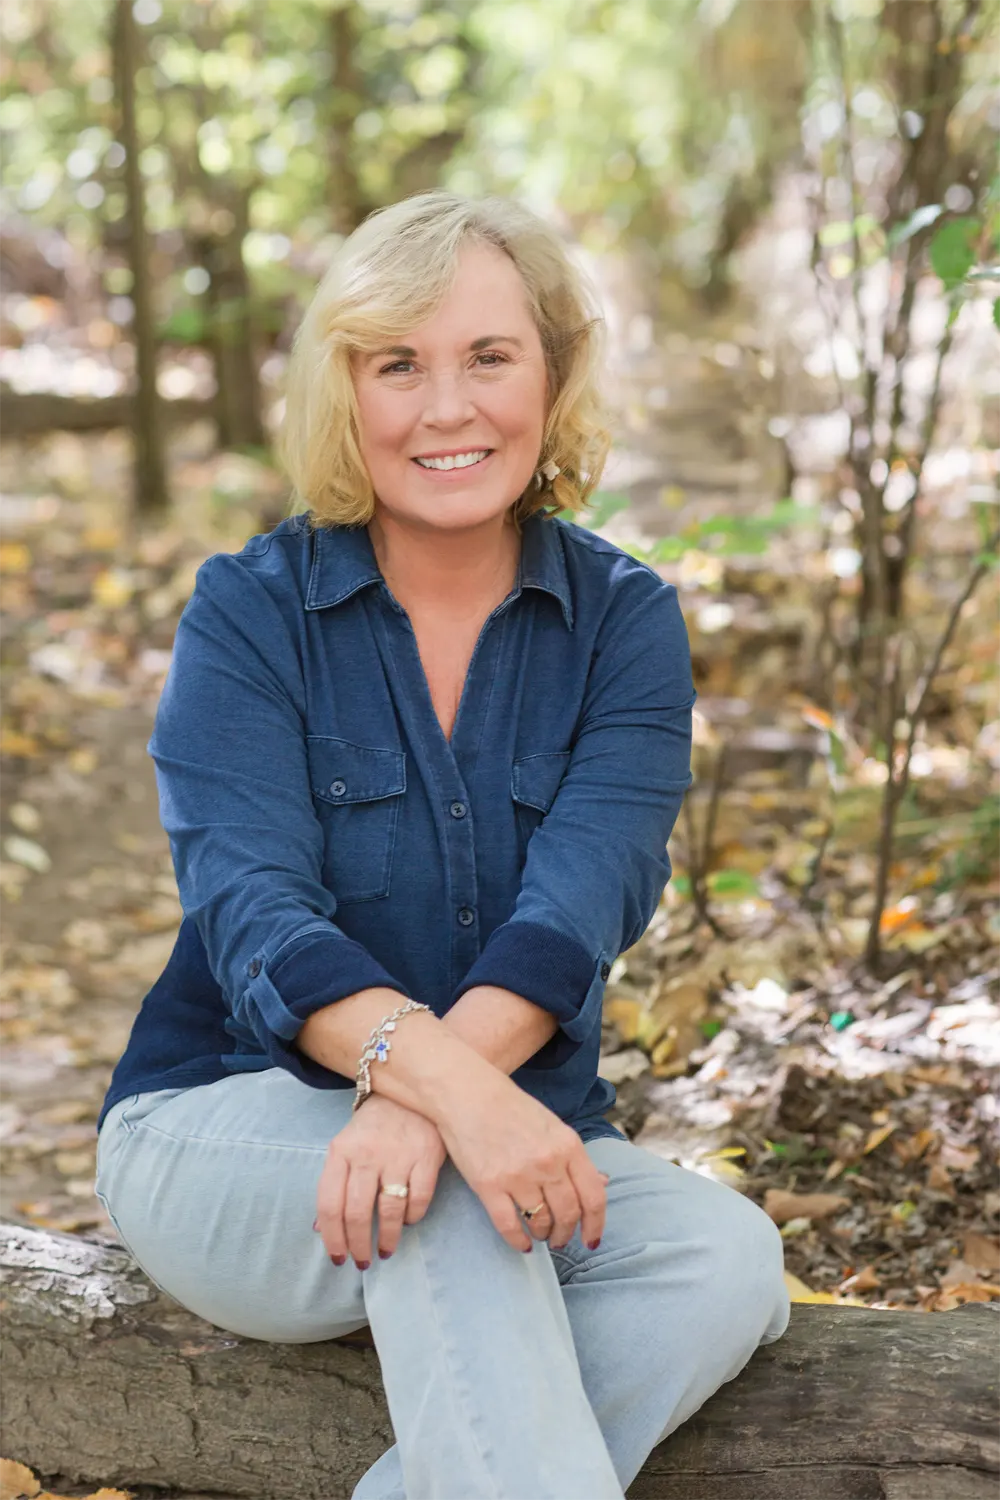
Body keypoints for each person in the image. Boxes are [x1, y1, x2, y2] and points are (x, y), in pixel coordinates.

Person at [94, 190, 790, 1500]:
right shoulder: (248, 614)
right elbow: (252, 911)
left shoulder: (624, 622)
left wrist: (438, 1099)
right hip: (226, 1128)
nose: (447, 408)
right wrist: (451, 1095)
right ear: (344, 389)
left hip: (507, 1137)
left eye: (489, 356)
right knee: (461, 1184)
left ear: (555, 372)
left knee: (726, 1264)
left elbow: (588, 898)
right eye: (398, 363)